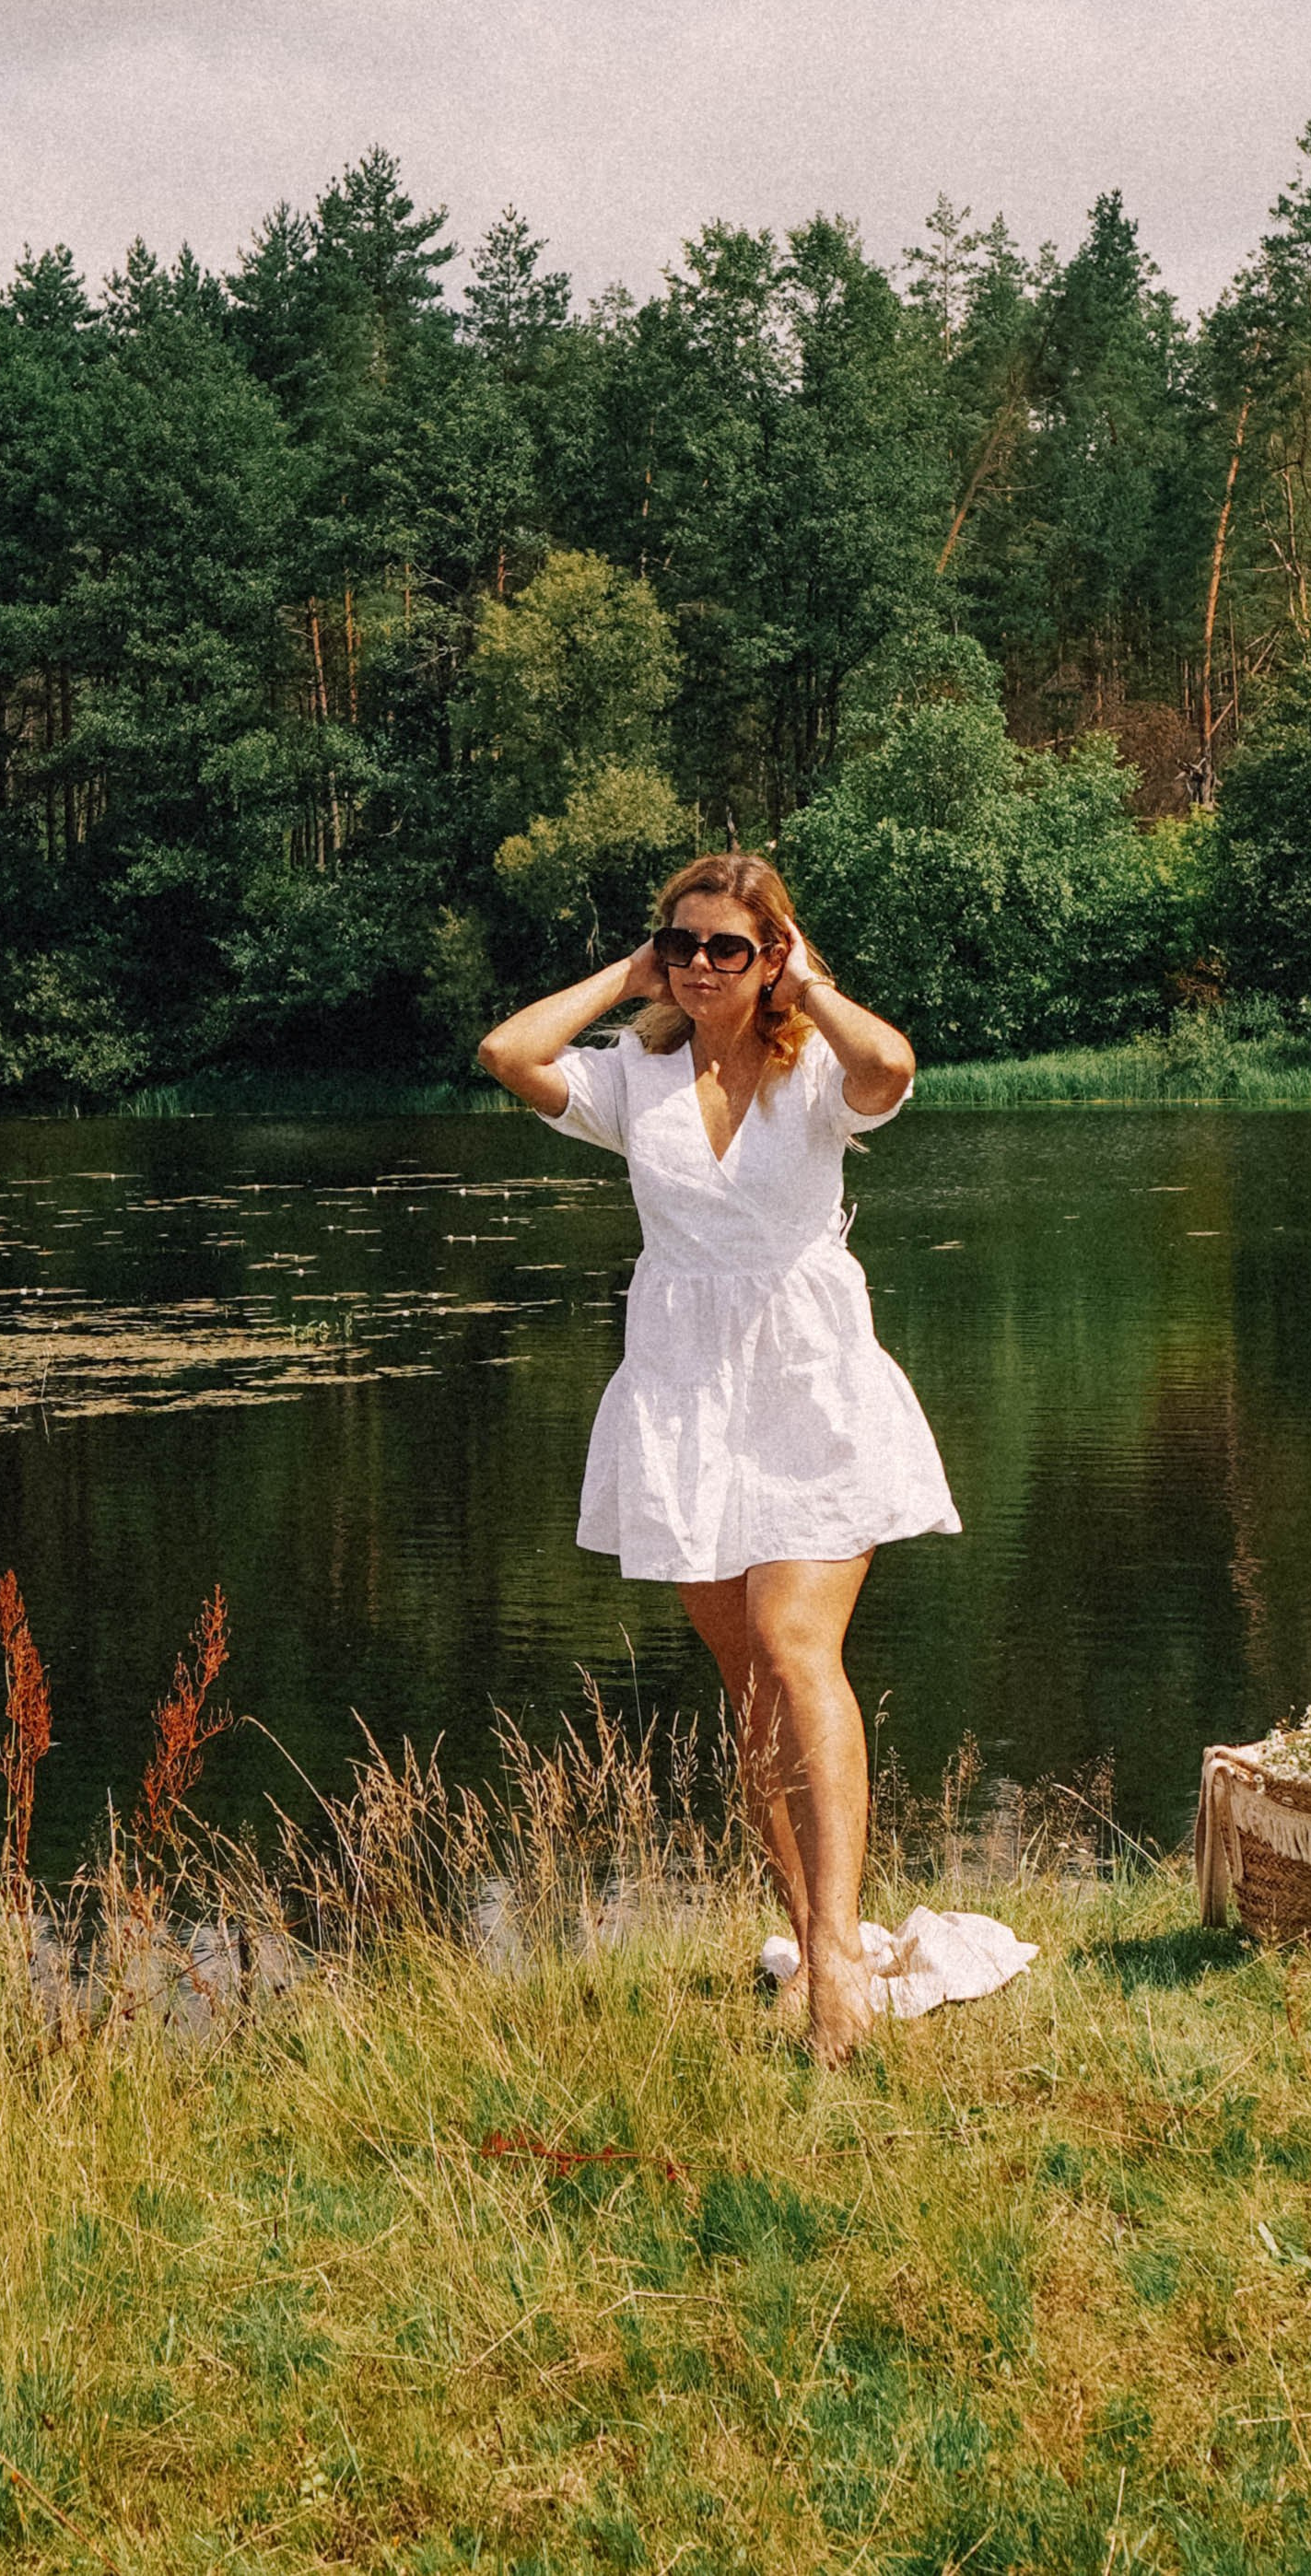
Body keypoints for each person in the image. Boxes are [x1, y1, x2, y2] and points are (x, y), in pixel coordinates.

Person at [477, 853, 959, 2063]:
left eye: (726, 947)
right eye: (681, 943)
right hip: (683, 1392)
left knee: (799, 1648)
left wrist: (811, 982)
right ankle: (807, 1931)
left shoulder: (814, 1073)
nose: (700, 964)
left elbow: (892, 1066)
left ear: (772, 952)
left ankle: (841, 1958)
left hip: (809, 1379)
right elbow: (507, 1053)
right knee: (748, 1686)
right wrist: (621, 976)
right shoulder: (630, 1075)